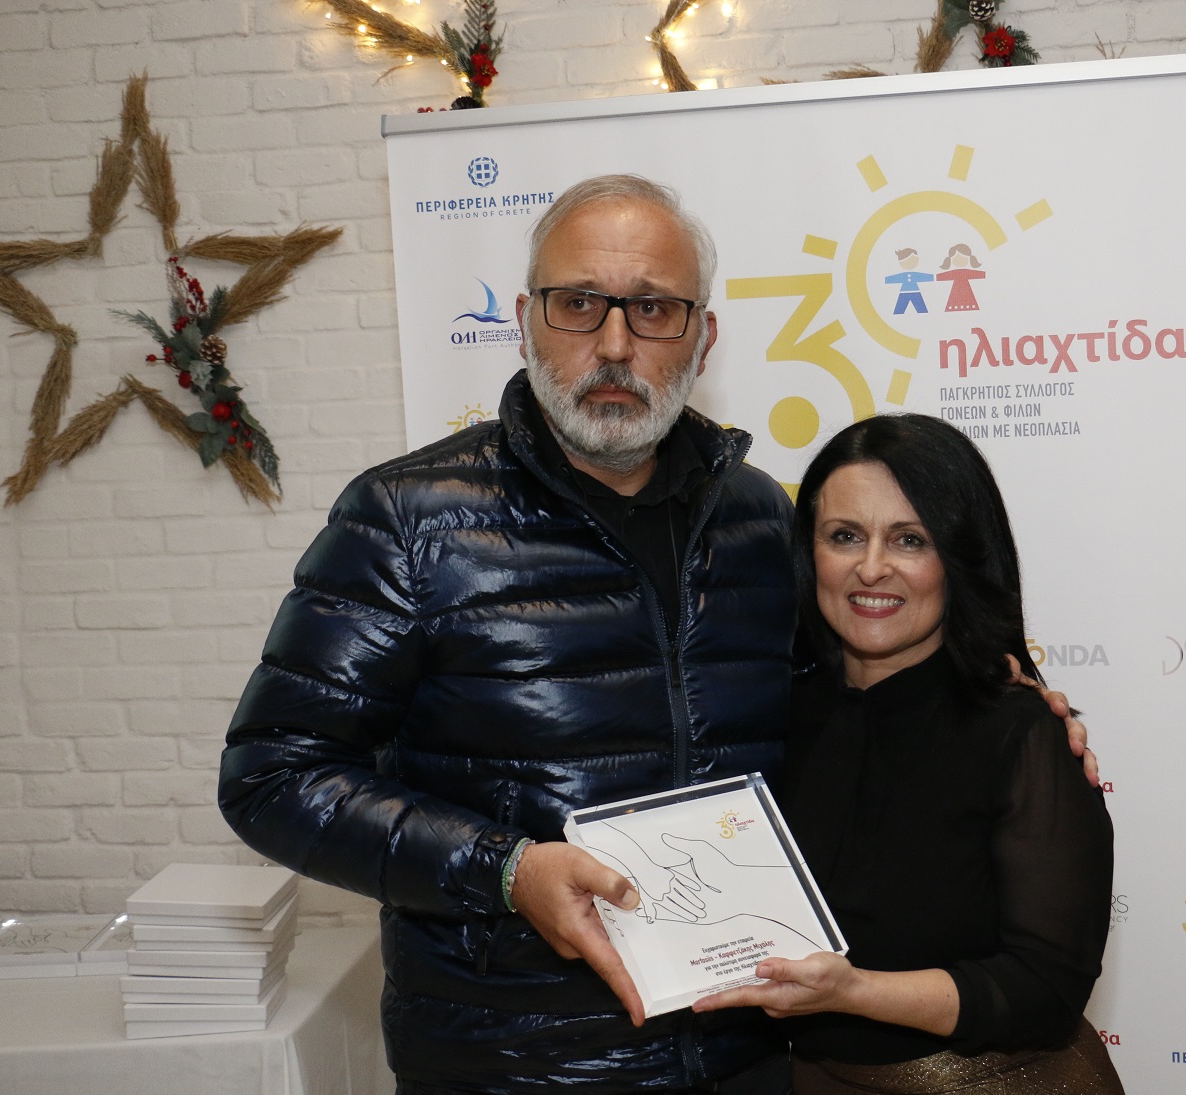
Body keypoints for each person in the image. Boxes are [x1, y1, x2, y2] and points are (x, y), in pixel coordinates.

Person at [219, 175, 1095, 1094]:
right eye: (578, 303)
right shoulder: (408, 520)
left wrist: (1001, 702)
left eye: (652, 309)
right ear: (524, 319)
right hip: (518, 1065)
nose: (613, 343)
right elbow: (272, 774)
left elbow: (851, 698)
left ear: (703, 336)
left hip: (750, 1053)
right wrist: (507, 869)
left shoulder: (759, 519)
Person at [693, 414, 1124, 1095]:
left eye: (909, 539)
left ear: (959, 557)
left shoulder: (1021, 733)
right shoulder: (777, 716)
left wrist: (855, 992)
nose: (871, 567)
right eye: (844, 536)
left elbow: (1046, 988)